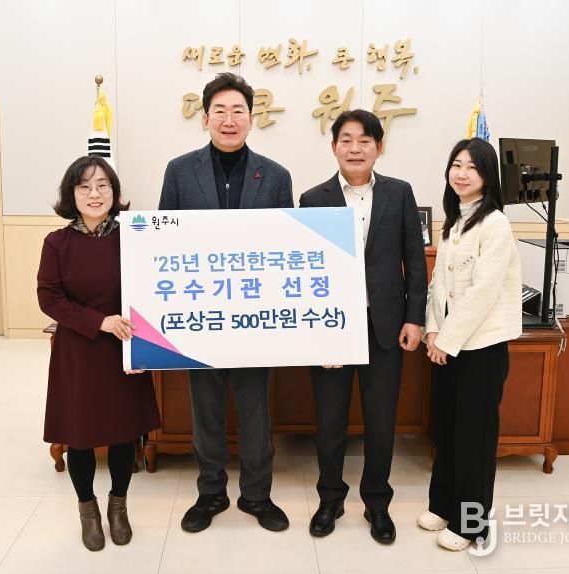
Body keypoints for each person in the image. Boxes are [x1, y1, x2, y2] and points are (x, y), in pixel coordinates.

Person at [159, 72, 293, 533]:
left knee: (256, 412)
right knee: (206, 413)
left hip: (255, 317)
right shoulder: (179, 171)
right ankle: (210, 493)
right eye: (220, 111)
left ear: (252, 119)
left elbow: (287, 248)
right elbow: (163, 241)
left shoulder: (275, 176)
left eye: (238, 111)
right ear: (205, 118)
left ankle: (257, 496)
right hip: (202, 315)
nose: (229, 119)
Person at [299, 109, 428, 544]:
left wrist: (414, 318)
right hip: (331, 327)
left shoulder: (399, 192)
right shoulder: (312, 199)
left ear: (379, 147)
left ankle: (377, 502)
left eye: (365, 141)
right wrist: (317, 334)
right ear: (334, 146)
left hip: (385, 326)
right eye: (347, 140)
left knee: (380, 421)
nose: (355, 148)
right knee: (330, 420)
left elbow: (414, 259)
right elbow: (306, 268)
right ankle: (330, 499)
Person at [38, 156, 161, 551]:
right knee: (81, 437)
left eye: (103, 185)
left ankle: (118, 507)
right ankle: (87, 510)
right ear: (71, 194)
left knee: (124, 434)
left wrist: (145, 348)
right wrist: (99, 322)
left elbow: (154, 288)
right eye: (85, 186)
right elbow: (49, 298)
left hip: (125, 348)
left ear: (115, 192)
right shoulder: (57, 243)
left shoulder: (133, 236)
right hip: (79, 351)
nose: (95, 194)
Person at [417, 137, 521, 551]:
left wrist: (447, 339)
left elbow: (484, 292)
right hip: (446, 347)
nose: (461, 174)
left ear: (487, 176)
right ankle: (443, 506)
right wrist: (431, 331)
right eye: (456, 165)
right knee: (447, 431)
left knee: (474, 440)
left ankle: (472, 524)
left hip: (481, 348)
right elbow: (438, 285)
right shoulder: (454, 221)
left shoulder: (495, 224)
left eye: (472, 168)